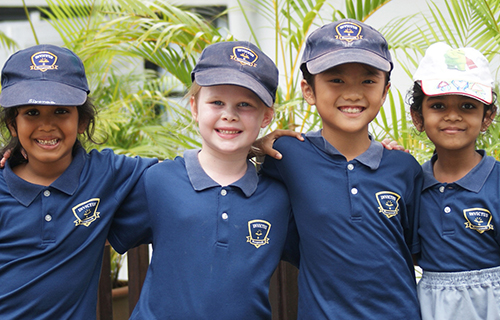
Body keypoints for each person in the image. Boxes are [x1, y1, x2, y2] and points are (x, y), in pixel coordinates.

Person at [108, 41, 296, 319]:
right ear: (195, 107)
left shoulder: (280, 198)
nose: (229, 114)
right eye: (217, 102)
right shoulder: (158, 181)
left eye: (244, 105)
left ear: (266, 116)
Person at [260, 19, 423, 319]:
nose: (353, 94)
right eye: (336, 80)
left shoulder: (403, 167)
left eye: (368, 81)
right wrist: (257, 143)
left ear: (385, 91)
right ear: (308, 91)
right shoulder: (287, 155)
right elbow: (229, 156)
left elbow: (412, 248)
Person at [0, 44, 156, 319]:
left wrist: (253, 149)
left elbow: (189, 177)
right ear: (13, 124)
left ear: (82, 120)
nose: (46, 126)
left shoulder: (107, 174)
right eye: (31, 112)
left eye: (61, 111)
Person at [409, 42, 500, 320]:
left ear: (487, 117)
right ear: (418, 117)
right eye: (438, 105)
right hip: (432, 307)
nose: (452, 115)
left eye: (468, 106)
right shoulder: (409, 184)